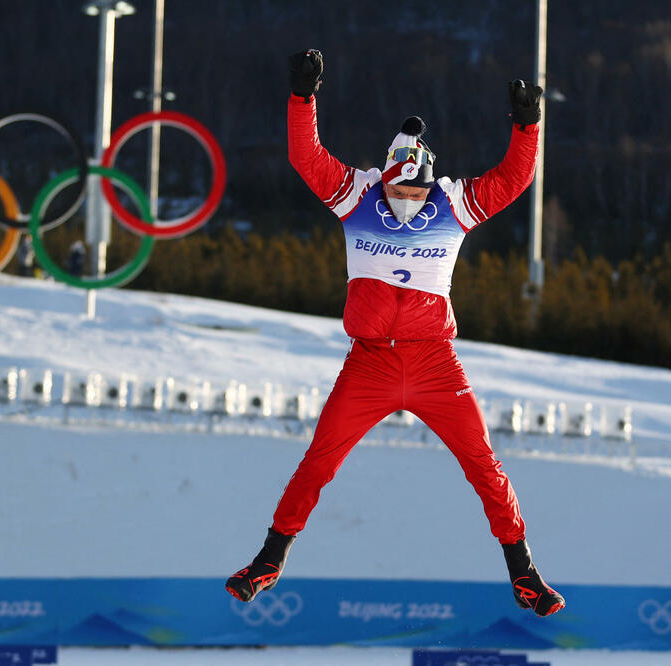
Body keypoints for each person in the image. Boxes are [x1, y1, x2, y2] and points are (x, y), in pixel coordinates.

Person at [225, 50, 565, 617]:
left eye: (415, 194)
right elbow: (304, 157)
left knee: (483, 463)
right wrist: (302, 99)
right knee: (320, 459)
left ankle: (524, 572)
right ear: (383, 178)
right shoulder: (357, 195)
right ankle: (269, 558)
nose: (407, 203)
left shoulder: (452, 204)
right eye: (398, 192)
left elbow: (512, 180)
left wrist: (527, 127)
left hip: (435, 363)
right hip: (370, 363)